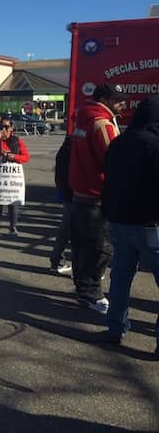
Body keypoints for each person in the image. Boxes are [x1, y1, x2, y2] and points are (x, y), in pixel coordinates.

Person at [100, 95, 159, 357]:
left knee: (120, 279)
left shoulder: (118, 143)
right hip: (150, 224)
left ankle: (115, 328)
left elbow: (108, 178)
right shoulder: (155, 145)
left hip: (120, 221)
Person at [69, 83, 127, 313]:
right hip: (98, 194)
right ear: (105, 99)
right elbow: (113, 159)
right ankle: (91, 293)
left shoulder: (82, 117)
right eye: (118, 99)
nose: (123, 103)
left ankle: (82, 287)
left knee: (82, 245)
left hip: (81, 192)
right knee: (100, 248)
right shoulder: (102, 123)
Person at [0, 118, 30, 236]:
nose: (4, 130)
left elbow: (25, 157)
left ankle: (13, 228)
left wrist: (14, 157)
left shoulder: (17, 141)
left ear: (12, 128)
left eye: (6, 127)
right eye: (1, 127)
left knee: (13, 205)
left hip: (12, 180)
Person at [49, 135, 73, 274]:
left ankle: (56, 261)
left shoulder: (63, 152)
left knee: (64, 231)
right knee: (77, 233)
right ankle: (78, 267)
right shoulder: (74, 154)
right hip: (76, 194)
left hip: (66, 194)